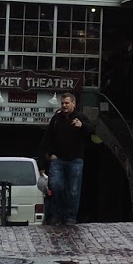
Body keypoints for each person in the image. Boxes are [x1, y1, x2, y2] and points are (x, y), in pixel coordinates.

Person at [41, 92, 94, 225]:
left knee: (73, 190)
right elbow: (47, 139)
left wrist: (82, 126)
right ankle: (56, 215)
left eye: (67, 103)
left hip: (75, 160)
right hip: (58, 160)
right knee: (56, 186)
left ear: (73, 104)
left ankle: (70, 217)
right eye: (62, 103)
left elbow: (92, 131)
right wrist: (48, 156)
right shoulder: (56, 119)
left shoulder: (81, 117)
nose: (64, 105)